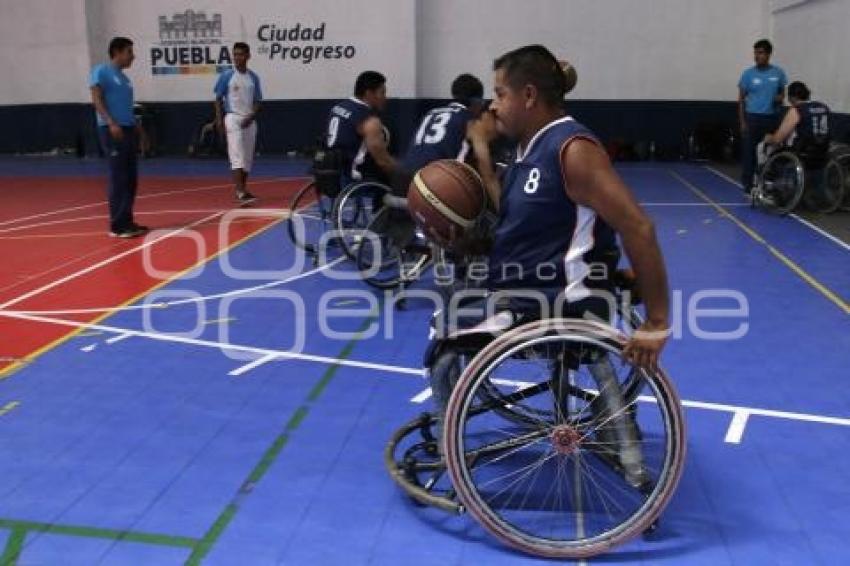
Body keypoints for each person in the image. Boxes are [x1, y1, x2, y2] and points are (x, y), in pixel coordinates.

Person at [426, 46, 670, 470]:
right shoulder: (529, 150)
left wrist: (656, 322)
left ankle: (452, 453)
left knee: (444, 335)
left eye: (500, 94)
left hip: (552, 304)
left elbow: (639, 227)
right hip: (535, 294)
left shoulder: (571, 149)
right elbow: (533, 228)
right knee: (454, 298)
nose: (493, 105)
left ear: (529, 96)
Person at [90, 36, 148, 238]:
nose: (133, 56)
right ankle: (117, 225)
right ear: (117, 52)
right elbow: (96, 100)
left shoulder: (125, 79)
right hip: (112, 130)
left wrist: (139, 131)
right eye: (129, 52)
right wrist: (111, 122)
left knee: (131, 178)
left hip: (128, 129)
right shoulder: (101, 71)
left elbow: (128, 109)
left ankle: (127, 220)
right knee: (119, 176)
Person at [393, 73, 486, 190]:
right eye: (481, 103)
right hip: (432, 182)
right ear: (475, 101)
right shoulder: (469, 121)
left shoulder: (431, 113)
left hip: (402, 178)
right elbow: (483, 166)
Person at [324, 71, 396, 186]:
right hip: (354, 175)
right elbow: (382, 161)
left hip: (331, 170)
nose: (385, 98)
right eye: (382, 93)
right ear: (369, 93)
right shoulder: (368, 119)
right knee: (399, 178)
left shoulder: (337, 107)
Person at [214, 42, 263, 204]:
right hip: (233, 118)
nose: (237, 58)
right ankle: (240, 192)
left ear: (248, 56)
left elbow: (258, 101)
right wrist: (220, 120)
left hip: (249, 120)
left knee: (247, 159)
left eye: (241, 54)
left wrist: (252, 116)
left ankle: (243, 189)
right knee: (237, 156)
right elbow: (217, 98)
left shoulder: (253, 77)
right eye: (235, 54)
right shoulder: (227, 75)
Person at [738, 39, 787, 192]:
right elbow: (741, 100)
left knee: (771, 152)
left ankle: (769, 182)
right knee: (749, 153)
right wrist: (742, 122)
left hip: (771, 118)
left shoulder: (778, 73)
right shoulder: (748, 74)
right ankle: (747, 184)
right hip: (752, 118)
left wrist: (779, 98)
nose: (757, 56)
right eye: (755, 53)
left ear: (768, 54)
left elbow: (782, 94)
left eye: (760, 53)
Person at [763, 81, 831, 153]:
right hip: (823, 150)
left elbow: (778, 139)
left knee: (765, 145)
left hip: (803, 152)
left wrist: (769, 138)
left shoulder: (797, 110)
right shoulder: (823, 107)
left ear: (791, 97)